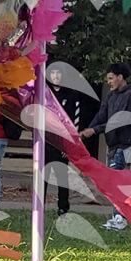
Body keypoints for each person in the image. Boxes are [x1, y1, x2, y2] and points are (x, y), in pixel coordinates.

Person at [79, 62, 131, 232]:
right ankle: (117, 217)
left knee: (117, 182)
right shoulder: (111, 96)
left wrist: (95, 130)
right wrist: (87, 130)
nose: (109, 82)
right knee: (113, 183)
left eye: (111, 78)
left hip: (124, 144)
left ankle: (120, 218)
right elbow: (101, 115)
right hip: (112, 144)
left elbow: (119, 121)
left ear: (120, 77)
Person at [46, 65, 87, 216]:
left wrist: (68, 146)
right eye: (53, 73)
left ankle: (63, 206)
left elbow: (73, 124)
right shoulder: (44, 94)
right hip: (46, 141)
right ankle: (39, 205)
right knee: (42, 175)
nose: (55, 76)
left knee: (62, 176)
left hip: (62, 143)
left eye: (58, 73)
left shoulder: (71, 96)